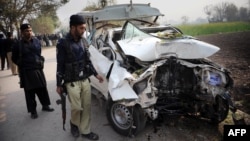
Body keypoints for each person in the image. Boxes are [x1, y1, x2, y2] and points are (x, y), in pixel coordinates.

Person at [56, 14, 104, 140]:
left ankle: (86, 131)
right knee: (77, 107)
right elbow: (60, 64)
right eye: (81, 28)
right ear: (73, 27)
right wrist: (58, 84)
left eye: (84, 28)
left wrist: (96, 74)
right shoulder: (62, 43)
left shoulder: (83, 41)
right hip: (71, 81)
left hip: (84, 79)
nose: (84, 31)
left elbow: (88, 61)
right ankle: (74, 123)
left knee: (87, 107)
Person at [12, 23, 54, 119]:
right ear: (22, 32)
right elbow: (14, 58)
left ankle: (45, 105)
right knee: (30, 92)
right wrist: (22, 64)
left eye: (30, 30)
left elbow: (39, 53)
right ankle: (33, 111)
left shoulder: (36, 41)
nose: (29, 32)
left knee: (42, 88)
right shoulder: (17, 45)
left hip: (38, 69)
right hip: (26, 71)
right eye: (27, 31)